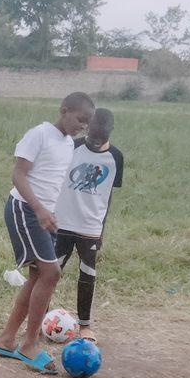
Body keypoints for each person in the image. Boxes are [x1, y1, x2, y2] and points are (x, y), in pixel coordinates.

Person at [0, 92, 95, 375]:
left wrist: (51, 212)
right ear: (64, 110)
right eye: (80, 119)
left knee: (39, 275)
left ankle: (6, 340)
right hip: (24, 209)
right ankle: (30, 344)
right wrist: (39, 209)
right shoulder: (40, 134)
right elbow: (18, 175)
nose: (83, 126)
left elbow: (52, 181)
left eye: (87, 122)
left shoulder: (67, 143)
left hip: (43, 215)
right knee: (51, 273)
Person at [53, 108, 124, 343]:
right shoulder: (72, 147)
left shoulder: (116, 157)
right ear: (87, 127)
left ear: (111, 131)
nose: (96, 139)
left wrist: (101, 228)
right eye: (93, 133)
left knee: (87, 273)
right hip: (62, 222)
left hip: (90, 226)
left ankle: (85, 325)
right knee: (51, 273)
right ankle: (40, 317)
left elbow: (108, 195)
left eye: (102, 135)